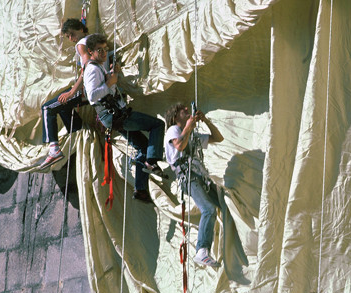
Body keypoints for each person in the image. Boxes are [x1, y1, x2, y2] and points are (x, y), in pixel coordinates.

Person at [83, 33, 165, 203]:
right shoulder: (91, 69)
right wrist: (110, 82)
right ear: (90, 52)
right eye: (100, 50)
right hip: (115, 115)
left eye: (105, 49)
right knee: (157, 125)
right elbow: (92, 97)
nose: (104, 53)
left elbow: (106, 89)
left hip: (113, 117)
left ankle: (140, 189)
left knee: (143, 147)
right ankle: (151, 162)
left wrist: (113, 76)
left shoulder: (98, 67)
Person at [39, 19, 105, 169]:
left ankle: (54, 149)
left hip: (86, 89)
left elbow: (88, 66)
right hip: (98, 85)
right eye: (68, 36)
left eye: (71, 34)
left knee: (47, 108)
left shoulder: (82, 44)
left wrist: (72, 91)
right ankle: (77, 127)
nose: (71, 39)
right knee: (62, 105)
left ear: (80, 29)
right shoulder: (95, 40)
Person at [164, 103, 224, 267]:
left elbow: (218, 138)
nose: (186, 110)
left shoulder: (193, 134)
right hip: (189, 178)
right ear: (175, 116)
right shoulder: (173, 131)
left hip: (201, 178)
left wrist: (205, 120)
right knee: (208, 209)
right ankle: (202, 251)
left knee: (226, 206)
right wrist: (189, 126)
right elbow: (180, 145)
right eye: (183, 110)